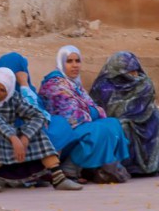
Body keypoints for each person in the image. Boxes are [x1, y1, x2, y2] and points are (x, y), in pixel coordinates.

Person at [0, 66, 83, 191]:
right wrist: (14, 138)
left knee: (35, 132)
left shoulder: (13, 96)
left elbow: (38, 116)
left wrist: (26, 136)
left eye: (2, 90)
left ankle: (58, 177)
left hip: (9, 137)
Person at [37, 45, 132, 184]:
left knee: (113, 124)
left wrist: (91, 111)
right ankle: (69, 168)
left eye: (77, 61)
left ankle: (92, 167)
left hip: (80, 127)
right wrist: (92, 111)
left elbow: (95, 109)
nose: (74, 65)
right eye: (69, 61)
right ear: (61, 62)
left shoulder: (74, 84)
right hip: (64, 136)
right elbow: (74, 117)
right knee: (98, 130)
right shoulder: (54, 85)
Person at [89, 51, 159, 176]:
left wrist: (133, 115)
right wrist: (125, 115)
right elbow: (103, 108)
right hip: (115, 119)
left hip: (143, 116)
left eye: (135, 70)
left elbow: (146, 104)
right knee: (122, 127)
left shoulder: (143, 83)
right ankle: (129, 167)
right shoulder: (103, 86)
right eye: (129, 71)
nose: (134, 74)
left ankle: (157, 164)